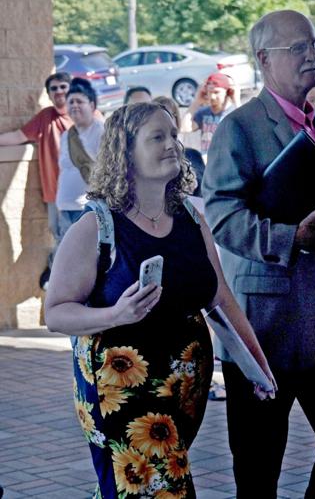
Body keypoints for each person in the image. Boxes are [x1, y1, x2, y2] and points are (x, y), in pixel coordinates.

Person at [44, 102, 275, 497]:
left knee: (141, 488)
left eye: (173, 134)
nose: (172, 144)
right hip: (120, 388)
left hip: (182, 387)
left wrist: (258, 362)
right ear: (126, 151)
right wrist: (117, 313)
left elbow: (219, 293)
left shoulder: (189, 214)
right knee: (161, 487)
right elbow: (56, 313)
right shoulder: (96, 225)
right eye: (157, 137)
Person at [203, 10, 315, 498]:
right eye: (297, 48)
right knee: (259, 466)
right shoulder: (240, 127)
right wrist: (290, 238)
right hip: (269, 321)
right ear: (264, 60)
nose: (312, 56)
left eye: (314, 46)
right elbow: (223, 218)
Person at [0, 72, 73, 288]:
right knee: (59, 233)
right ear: (49, 95)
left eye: (63, 87)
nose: (59, 92)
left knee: (72, 238)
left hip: (81, 195)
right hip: (54, 194)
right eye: (54, 89)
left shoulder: (86, 115)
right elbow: (17, 137)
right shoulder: (45, 117)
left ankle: (55, 274)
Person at [56, 78, 104, 239]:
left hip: (88, 208)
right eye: (70, 102)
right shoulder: (66, 135)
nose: (74, 105)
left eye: (79, 101)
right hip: (65, 206)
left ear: (91, 105)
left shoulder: (102, 132)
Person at [182, 73, 238, 156]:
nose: (212, 97)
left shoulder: (235, 113)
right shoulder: (204, 112)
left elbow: (248, 132)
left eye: (216, 92)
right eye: (209, 92)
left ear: (228, 92)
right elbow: (185, 128)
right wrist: (196, 102)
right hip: (208, 161)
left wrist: (236, 101)